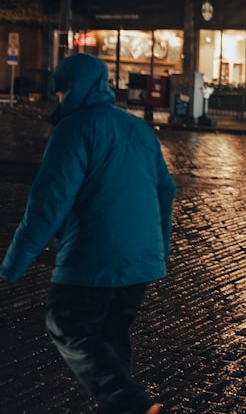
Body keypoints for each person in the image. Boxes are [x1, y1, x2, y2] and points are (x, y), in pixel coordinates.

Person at [0, 54, 175, 414]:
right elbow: (165, 190)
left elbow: (47, 205)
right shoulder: (139, 129)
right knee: (111, 340)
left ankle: (133, 406)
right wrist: (160, 250)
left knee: (66, 321)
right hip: (140, 263)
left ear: (72, 90)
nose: (58, 99)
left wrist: (11, 266)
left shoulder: (75, 129)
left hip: (93, 258)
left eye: (61, 92)